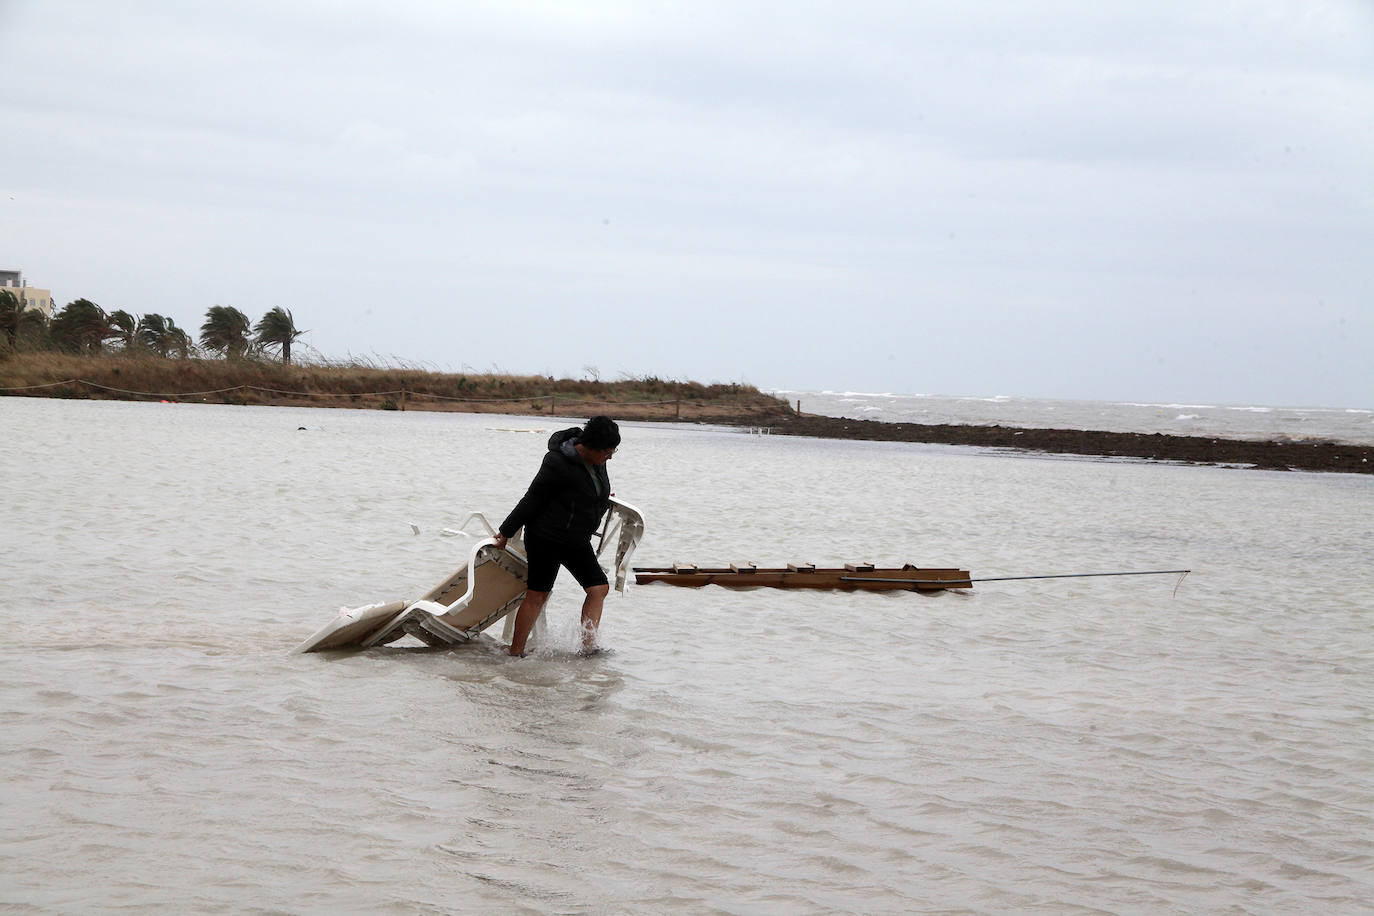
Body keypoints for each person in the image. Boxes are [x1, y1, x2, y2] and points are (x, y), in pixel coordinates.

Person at [493, 416, 621, 656]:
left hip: (576, 539)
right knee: (538, 594)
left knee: (598, 588)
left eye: (613, 451)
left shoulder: (599, 460)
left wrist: (600, 499)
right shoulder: (557, 462)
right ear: (591, 445)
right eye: (607, 451)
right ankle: (516, 652)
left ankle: (588, 650)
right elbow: (532, 498)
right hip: (546, 537)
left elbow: (592, 489)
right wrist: (506, 532)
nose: (610, 456)